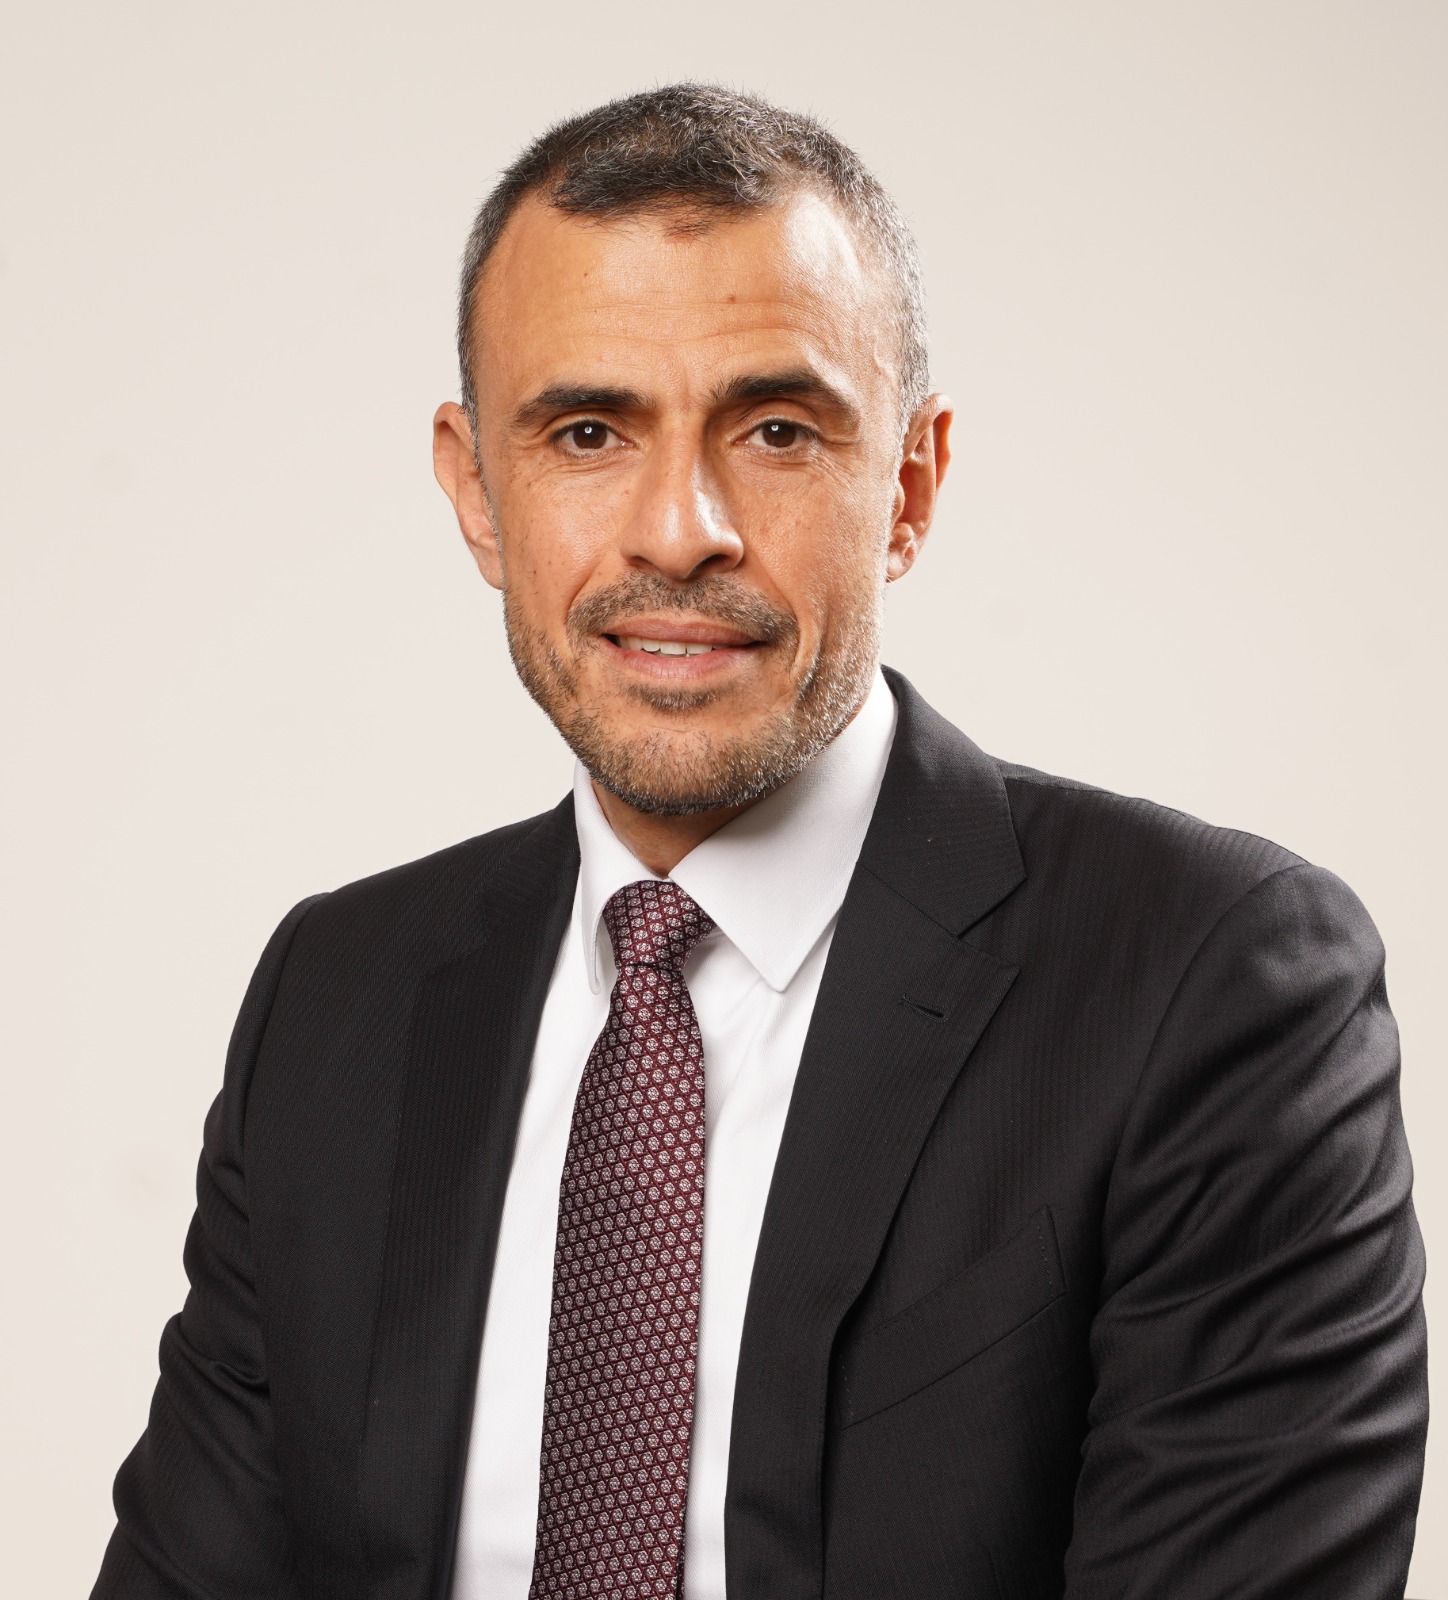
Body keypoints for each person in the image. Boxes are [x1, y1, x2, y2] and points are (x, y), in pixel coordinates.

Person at [91, 83, 1427, 1600]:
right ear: (477, 494)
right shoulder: (338, 997)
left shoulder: (1212, 984)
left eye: (778, 430)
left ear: (908, 487)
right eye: (587, 431)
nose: (680, 530)